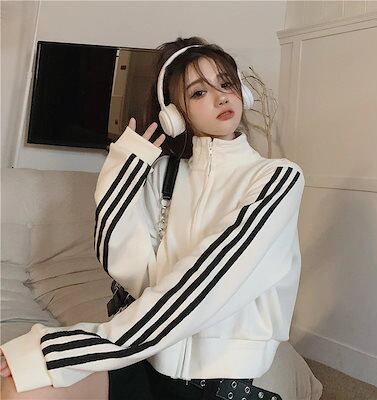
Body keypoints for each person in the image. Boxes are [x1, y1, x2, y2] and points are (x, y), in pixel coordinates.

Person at [0, 36, 305, 400]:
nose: (221, 97)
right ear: (175, 114)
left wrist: (65, 349)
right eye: (199, 92)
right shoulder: (165, 175)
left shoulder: (277, 178)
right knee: (18, 388)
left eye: (226, 84)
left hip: (215, 385)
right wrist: (125, 170)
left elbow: (199, 288)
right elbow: (130, 271)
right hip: (144, 361)